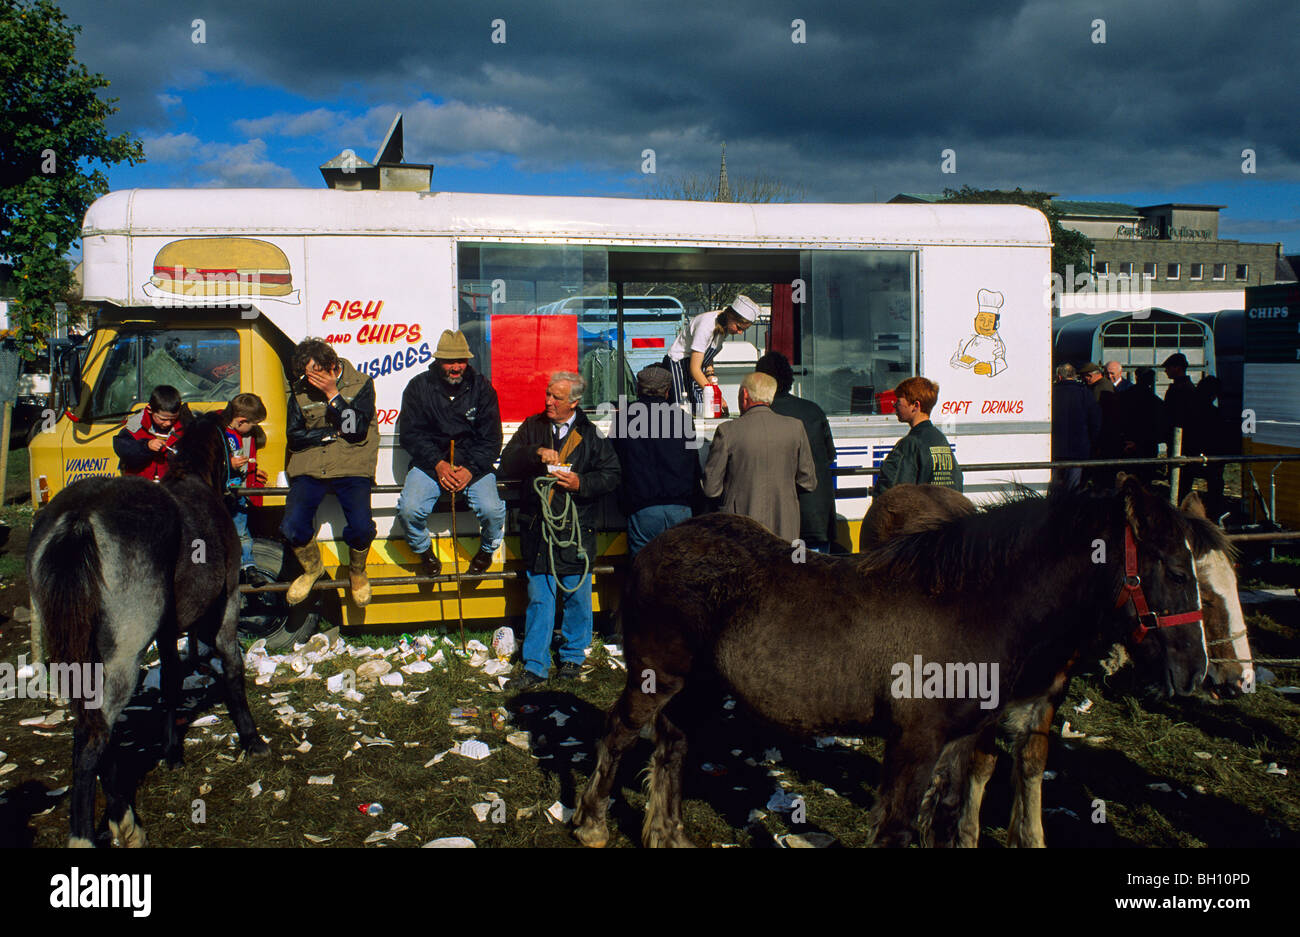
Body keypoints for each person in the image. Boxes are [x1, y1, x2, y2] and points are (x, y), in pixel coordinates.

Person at [499, 371, 621, 690]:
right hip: (539, 530)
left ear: (574, 402)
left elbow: (611, 475)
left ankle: (571, 658)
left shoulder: (591, 435)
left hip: (576, 531)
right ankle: (535, 665)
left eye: (557, 397)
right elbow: (507, 462)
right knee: (540, 598)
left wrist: (582, 482)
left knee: (577, 597)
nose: (548, 401)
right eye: (548, 394)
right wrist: (535, 453)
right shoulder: (532, 427)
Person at [397, 329, 506, 577]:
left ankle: (487, 550)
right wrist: (438, 464)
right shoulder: (418, 387)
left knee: (492, 510)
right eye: (449, 361)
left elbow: (491, 440)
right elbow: (411, 435)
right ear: (438, 361)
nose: (456, 367)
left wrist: (469, 469)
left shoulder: (482, 388)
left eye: (461, 361)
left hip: (473, 465)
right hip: (430, 464)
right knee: (409, 510)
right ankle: (424, 552)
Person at [281, 339, 379, 608]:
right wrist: (326, 434)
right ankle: (312, 570)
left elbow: (355, 429)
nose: (308, 380)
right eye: (304, 374)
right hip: (310, 466)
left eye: (315, 373)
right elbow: (295, 437)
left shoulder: (361, 383)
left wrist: (333, 395)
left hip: (351, 464)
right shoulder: (299, 391)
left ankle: (357, 572)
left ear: (332, 366)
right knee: (291, 525)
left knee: (361, 526)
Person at [703, 371, 816, 542]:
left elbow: (711, 488)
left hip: (740, 527)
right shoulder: (795, 428)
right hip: (785, 523)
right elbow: (808, 482)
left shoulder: (727, 431)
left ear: (745, 395)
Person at [611, 365, 699, 557]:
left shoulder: (623, 419)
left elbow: (614, 465)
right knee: (681, 571)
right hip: (680, 508)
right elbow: (694, 465)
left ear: (637, 389)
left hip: (643, 509)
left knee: (644, 573)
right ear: (667, 392)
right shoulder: (683, 419)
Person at [755, 350, 838, 551]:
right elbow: (829, 456)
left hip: (778, 523)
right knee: (816, 577)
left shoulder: (759, 416)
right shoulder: (813, 411)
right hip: (816, 517)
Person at [665, 295, 757, 411]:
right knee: (683, 407)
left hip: (695, 366)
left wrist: (710, 375)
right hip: (678, 363)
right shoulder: (706, 325)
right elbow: (694, 369)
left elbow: (707, 354)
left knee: (699, 405)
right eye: (738, 327)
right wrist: (716, 396)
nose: (740, 332)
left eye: (743, 330)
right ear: (730, 316)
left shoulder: (724, 326)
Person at [873, 376, 963, 495]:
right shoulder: (940, 439)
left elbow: (892, 491)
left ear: (915, 405)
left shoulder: (910, 443)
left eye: (898, 401)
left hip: (918, 512)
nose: (894, 406)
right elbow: (957, 481)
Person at [220, 393, 270, 586]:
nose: (254, 429)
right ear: (241, 421)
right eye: (253, 424)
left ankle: (249, 567)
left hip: (238, 492)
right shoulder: (219, 432)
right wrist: (228, 464)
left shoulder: (243, 434)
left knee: (242, 532)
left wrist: (252, 474)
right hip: (220, 492)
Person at [113, 385, 188, 480]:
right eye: (163, 419)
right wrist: (146, 446)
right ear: (149, 409)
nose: (168, 423)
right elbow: (124, 451)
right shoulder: (134, 427)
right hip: (139, 485)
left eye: (173, 419)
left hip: (172, 486)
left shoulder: (185, 427)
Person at [1051, 364, 1099, 491]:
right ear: (1074, 376)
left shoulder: (1051, 393)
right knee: (1073, 488)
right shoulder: (1086, 393)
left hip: (1055, 449)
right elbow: (1095, 421)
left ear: (1059, 376)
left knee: (1054, 488)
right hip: (1079, 449)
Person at [1117, 368, 1166, 487]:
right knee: (1145, 482)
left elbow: (1120, 420)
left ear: (1136, 377)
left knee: (1128, 481)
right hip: (1147, 446)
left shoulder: (1124, 397)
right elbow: (1159, 426)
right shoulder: (1155, 401)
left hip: (1128, 443)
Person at [1079, 362, 1122, 487]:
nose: (1083, 380)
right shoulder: (1105, 385)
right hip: (1107, 436)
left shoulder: (1099, 389)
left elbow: (1095, 415)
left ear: (1089, 376)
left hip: (1103, 437)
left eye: (1084, 377)